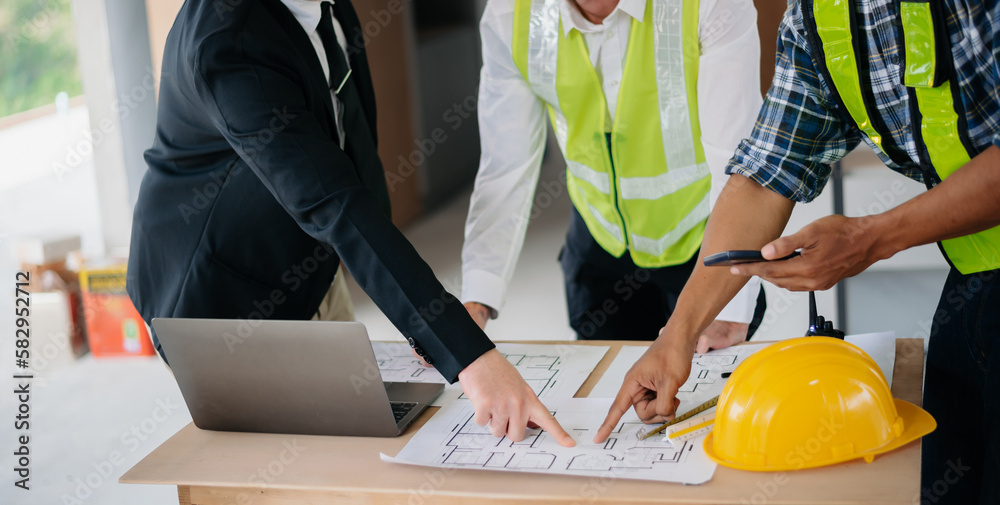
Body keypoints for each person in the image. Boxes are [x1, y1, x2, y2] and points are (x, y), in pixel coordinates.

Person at [596, 0, 1000, 503]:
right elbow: (766, 176)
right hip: (978, 277)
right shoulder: (816, 15)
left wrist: (872, 237)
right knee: (948, 477)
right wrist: (677, 334)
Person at [126, 0, 574, 446]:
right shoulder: (228, 41)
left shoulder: (325, 6)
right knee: (286, 469)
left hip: (309, 264)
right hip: (222, 302)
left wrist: (416, 311)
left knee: (364, 443)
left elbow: (348, 149)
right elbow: (334, 203)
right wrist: (466, 353)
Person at [459, 0, 766, 349]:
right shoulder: (511, 14)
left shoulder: (709, 5)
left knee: (703, 394)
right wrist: (477, 299)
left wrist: (730, 306)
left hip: (703, 241)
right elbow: (505, 164)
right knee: (605, 391)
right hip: (599, 240)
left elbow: (737, 163)